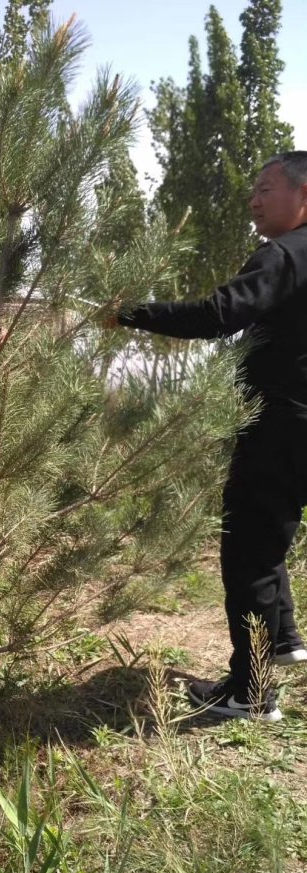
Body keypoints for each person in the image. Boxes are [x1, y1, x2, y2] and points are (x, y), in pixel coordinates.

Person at [112, 151, 307, 722]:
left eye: (265, 187)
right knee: (270, 540)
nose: (253, 199)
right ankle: (288, 641)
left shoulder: (283, 255)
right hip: (300, 425)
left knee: (248, 550)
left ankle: (252, 692)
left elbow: (218, 314)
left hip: (277, 425)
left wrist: (131, 314)